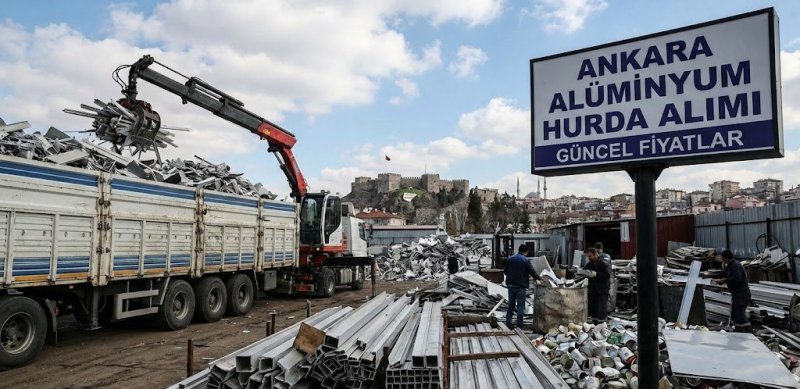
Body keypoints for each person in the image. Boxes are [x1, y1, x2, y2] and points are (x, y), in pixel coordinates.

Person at [713, 249, 752, 332]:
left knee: (739, 314)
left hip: (742, 294)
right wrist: (710, 275)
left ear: (726, 258)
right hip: (736, 294)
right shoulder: (730, 265)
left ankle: (748, 331)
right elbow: (722, 274)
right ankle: (739, 331)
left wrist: (724, 280)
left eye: (723, 259)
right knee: (735, 314)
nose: (723, 261)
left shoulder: (736, 266)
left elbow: (737, 279)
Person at [504, 244, 540, 329]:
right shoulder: (525, 260)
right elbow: (532, 271)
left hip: (511, 286)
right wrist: (538, 278)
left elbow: (505, 271)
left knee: (511, 305)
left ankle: (508, 323)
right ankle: (519, 325)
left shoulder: (510, 259)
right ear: (526, 252)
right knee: (520, 306)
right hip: (520, 287)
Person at [578, 248, 611, 322]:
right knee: (594, 309)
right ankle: (595, 324)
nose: (589, 258)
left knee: (601, 308)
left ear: (595, 255)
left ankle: (602, 324)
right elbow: (585, 270)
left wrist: (596, 274)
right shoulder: (590, 264)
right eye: (588, 256)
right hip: (593, 290)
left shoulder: (603, 264)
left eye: (590, 256)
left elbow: (607, 276)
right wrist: (582, 273)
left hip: (602, 290)